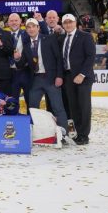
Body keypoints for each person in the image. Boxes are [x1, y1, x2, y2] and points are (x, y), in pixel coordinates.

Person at [16, 18, 68, 133]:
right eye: (28, 27)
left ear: (38, 28)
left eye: (33, 26)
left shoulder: (49, 39)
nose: (31, 29)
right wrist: (17, 58)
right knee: (33, 108)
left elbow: (58, 58)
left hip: (51, 79)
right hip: (36, 80)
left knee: (57, 107)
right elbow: (20, 65)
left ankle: (64, 133)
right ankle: (34, 133)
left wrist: (59, 76)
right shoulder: (26, 45)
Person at [61, 14, 96, 145]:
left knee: (84, 106)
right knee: (73, 106)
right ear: (63, 24)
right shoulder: (63, 38)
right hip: (69, 77)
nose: (68, 24)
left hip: (83, 77)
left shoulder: (85, 36)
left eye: (70, 22)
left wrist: (82, 74)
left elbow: (91, 56)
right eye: (65, 22)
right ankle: (76, 133)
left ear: (75, 23)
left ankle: (84, 135)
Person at [7, 13, 32, 112]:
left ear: (20, 22)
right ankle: (14, 123)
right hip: (11, 72)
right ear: (8, 22)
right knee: (12, 101)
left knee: (30, 100)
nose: (14, 23)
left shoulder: (27, 33)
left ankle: (31, 122)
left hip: (25, 71)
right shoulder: (4, 35)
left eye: (16, 20)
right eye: (11, 21)